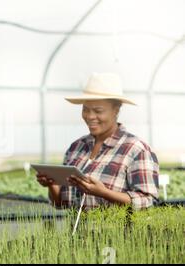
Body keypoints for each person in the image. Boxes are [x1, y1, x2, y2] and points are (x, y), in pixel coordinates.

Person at [36, 73, 159, 210]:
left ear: (116, 110)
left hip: (116, 232)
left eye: (98, 111)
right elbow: (61, 204)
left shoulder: (135, 149)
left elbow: (148, 202)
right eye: (85, 110)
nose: (90, 116)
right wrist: (52, 185)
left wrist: (105, 193)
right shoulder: (76, 147)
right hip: (78, 232)